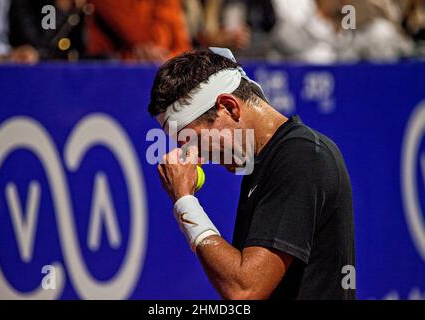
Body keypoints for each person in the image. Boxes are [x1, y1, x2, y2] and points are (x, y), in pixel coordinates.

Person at [148, 48, 356, 300]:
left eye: (195, 141)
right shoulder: (268, 159)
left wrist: (185, 202)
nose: (198, 158)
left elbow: (245, 289)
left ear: (229, 107)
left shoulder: (301, 156)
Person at [86, 0, 191, 62]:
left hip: (159, 72)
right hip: (112, 74)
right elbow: (146, 39)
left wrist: (170, 60)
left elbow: (183, 47)